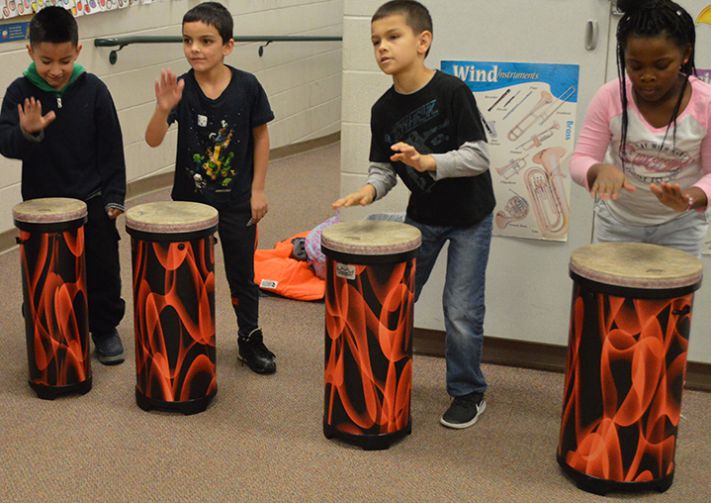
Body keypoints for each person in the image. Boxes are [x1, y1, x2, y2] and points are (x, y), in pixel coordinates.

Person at [333, 0, 496, 429]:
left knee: (461, 310)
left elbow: (478, 156)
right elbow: (384, 170)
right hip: (422, 216)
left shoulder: (453, 91)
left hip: (470, 217)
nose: (382, 47)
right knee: (395, 300)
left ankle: (468, 392)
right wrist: (368, 190)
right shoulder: (382, 111)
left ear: (423, 42)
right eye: (375, 41)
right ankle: (384, 376)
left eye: (392, 37)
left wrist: (428, 162)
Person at [145, 1, 276, 374]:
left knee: (242, 275)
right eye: (188, 41)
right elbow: (153, 139)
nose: (195, 49)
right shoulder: (181, 89)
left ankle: (249, 338)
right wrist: (161, 109)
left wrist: (259, 189)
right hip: (189, 205)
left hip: (236, 201)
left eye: (206, 40)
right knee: (188, 277)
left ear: (228, 45)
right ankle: (191, 339)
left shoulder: (248, 86)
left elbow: (261, 138)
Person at [0, 6, 127, 365]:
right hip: (42, 207)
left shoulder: (95, 90)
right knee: (47, 273)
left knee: (102, 268)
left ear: (78, 51)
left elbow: (112, 149)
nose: (55, 70)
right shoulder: (19, 92)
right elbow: (6, 143)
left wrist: (114, 196)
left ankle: (103, 328)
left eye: (64, 60)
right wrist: (27, 132)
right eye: (46, 61)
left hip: (93, 198)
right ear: (30, 52)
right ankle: (46, 321)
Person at [571, 0, 711, 257]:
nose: (647, 76)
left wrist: (690, 197)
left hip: (680, 227)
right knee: (613, 297)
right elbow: (580, 159)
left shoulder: (706, 103)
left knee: (671, 298)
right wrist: (597, 170)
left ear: (685, 54)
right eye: (635, 66)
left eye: (661, 65)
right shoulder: (610, 97)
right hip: (618, 223)